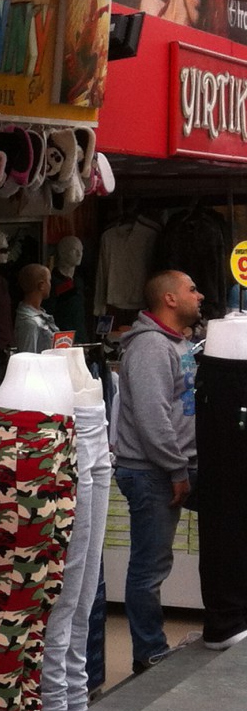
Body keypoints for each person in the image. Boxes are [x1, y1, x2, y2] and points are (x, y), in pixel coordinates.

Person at [112, 269, 203, 672]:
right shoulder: (150, 347)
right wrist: (177, 469)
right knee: (150, 567)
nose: (200, 296)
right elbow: (153, 419)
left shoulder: (177, 342)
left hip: (174, 465)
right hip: (152, 471)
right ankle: (148, 654)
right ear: (169, 298)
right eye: (191, 289)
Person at [13, 264, 57, 354]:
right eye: (49, 281)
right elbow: (28, 357)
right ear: (41, 285)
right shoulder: (29, 322)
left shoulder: (40, 315)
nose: (50, 285)